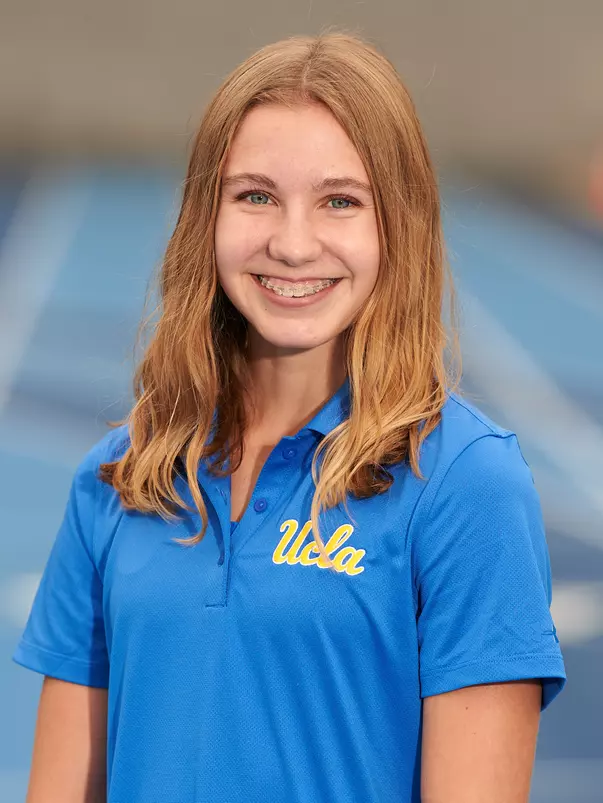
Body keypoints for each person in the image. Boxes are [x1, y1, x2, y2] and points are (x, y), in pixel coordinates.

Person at [14, 32, 566, 803]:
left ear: (397, 224)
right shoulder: (119, 477)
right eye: (255, 196)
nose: (292, 243)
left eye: (340, 201)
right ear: (205, 216)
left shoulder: (464, 483)